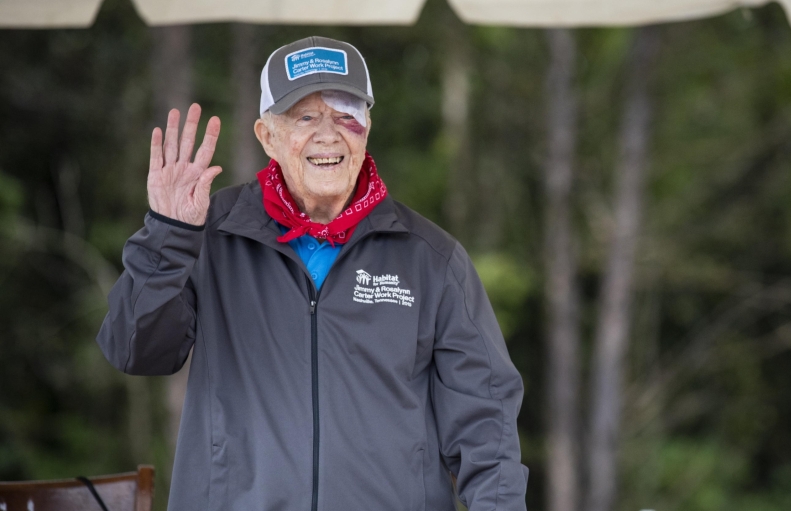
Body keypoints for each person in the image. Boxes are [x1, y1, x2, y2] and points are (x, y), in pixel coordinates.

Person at [97, 36, 528, 510]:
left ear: (366, 127)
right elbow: (134, 349)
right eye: (305, 117)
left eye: (346, 114)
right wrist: (169, 233)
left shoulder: (431, 258)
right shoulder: (206, 234)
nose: (328, 134)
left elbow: (487, 429)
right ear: (268, 136)